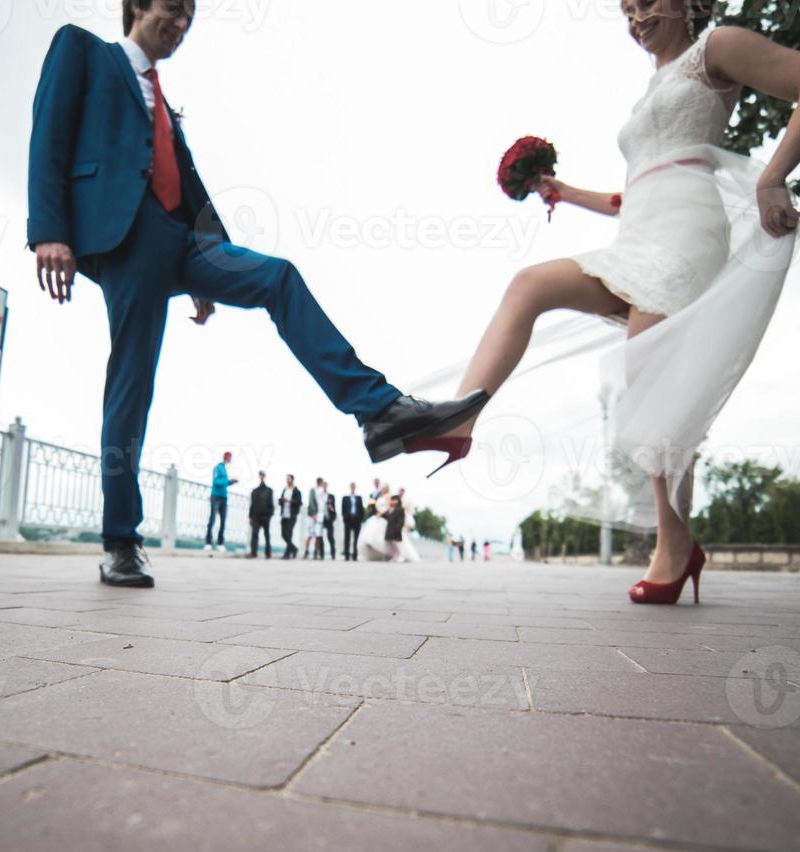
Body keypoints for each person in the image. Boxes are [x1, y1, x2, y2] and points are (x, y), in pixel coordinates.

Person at [27, 2, 489, 588]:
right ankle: (121, 540)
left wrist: (208, 272)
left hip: (184, 242)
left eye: (190, 18)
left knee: (278, 278)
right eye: (173, 9)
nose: (181, 24)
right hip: (126, 236)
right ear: (138, 5)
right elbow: (50, 132)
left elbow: (187, 185)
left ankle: (379, 412)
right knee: (132, 383)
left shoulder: (164, 103)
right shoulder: (85, 51)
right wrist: (49, 230)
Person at [426, 1, 800, 605]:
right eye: (626, 10)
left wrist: (771, 178)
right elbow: (634, 192)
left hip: (685, 234)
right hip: (638, 233)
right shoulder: (653, 85)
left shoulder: (716, 48)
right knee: (529, 286)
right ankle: (458, 419)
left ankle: (673, 548)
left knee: (650, 390)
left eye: (647, 2)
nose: (637, 18)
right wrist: (563, 192)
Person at [204, 450, 238, 552]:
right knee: (212, 519)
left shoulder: (224, 469)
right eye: (230, 457)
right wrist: (227, 481)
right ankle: (208, 542)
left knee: (223, 521)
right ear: (226, 457)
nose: (231, 459)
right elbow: (216, 482)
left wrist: (230, 482)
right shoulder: (218, 468)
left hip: (224, 497)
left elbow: (224, 483)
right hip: (215, 497)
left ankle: (220, 543)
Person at [248, 470, 274, 559]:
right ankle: (253, 553)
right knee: (254, 534)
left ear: (264, 476)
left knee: (266, 535)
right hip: (256, 516)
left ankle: (268, 553)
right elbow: (252, 505)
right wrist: (250, 517)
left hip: (266, 516)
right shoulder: (254, 491)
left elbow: (271, 504)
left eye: (263, 475)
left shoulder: (269, 491)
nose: (261, 477)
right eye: (260, 475)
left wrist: (270, 515)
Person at [278, 474, 302, 560]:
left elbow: (299, 502)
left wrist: (289, 501)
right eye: (286, 479)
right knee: (283, 534)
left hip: (292, 515)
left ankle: (287, 554)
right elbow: (281, 501)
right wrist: (281, 500)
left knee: (289, 534)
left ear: (292, 480)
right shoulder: (285, 489)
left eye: (289, 479)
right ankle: (294, 549)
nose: (287, 480)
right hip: (284, 515)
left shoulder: (296, 490)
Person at [340, 483, 365, 561]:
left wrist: (361, 519)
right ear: (350, 487)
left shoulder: (359, 498)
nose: (353, 488)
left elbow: (361, 509)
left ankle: (355, 554)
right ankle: (346, 555)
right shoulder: (345, 498)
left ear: (355, 487)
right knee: (347, 538)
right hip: (348, 519)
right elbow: (343, 509)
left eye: (354, 486)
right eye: (351, 486)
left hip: (357, 519)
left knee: (356, 538)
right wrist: (344, 518)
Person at [304, 478, 325, 560]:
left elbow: (323, 504)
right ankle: (306, 551)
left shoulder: (322, 491)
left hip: (320, 516)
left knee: (318, 535)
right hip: (313, 516)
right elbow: (311, 502)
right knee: (310, 534)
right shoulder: (313, 490)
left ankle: (316, 552)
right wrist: (313, 514)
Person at [319, 481, 338, 560]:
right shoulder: (319, 495)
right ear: (322, 486)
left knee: (330, 537)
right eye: (323, 485)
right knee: (320, 537)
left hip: (329, 518)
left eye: (326, 485)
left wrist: (332, 516)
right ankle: (321, 555)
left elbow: (334, 508)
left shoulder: (331, 496)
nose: (325, 487)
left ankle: (333, 554)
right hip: (320, 518)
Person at [385, 495, 406, 562]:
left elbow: (401, 520)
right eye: (392, 500)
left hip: (396, 528)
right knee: (392, 543)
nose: (392, 501)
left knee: (397, 544)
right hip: (390, 528)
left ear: (397, 501)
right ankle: (395, 556)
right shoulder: (391, 509)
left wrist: (398, 528)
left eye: (394, 500)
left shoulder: (400, 509)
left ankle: (401, 555)